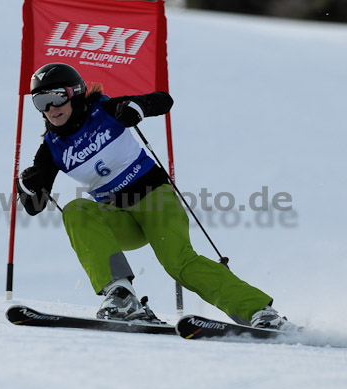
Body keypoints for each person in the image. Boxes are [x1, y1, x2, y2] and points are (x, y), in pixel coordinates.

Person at [16, 62, 296, 330]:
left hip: (155, 201)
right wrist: (28, 186)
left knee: (180, 264)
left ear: (75, 92)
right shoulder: (51, 149)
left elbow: (163, 100)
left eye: (56, 97)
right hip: (120, 217)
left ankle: (261, 312)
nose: (51, 108)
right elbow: (35, 207)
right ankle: (121, 296)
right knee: (76, 209)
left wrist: (136, 108)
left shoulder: (104, 110)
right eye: (41, 102)